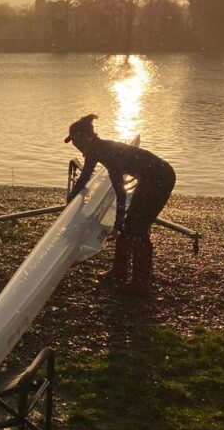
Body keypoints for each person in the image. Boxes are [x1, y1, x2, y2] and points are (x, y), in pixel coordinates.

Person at [64, 113, 176, 294]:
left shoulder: (108, 152)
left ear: (84, 136)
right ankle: (119, 272)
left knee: (138, 228)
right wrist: (70, 200)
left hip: (161, 178)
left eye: (76, 143)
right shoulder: (95, 151)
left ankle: (140, 284)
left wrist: (117, 223)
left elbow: (120, 192)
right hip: (148, 178)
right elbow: (85, 176)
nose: (77, 148)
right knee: (129, 226)